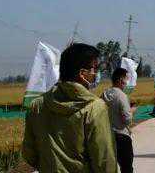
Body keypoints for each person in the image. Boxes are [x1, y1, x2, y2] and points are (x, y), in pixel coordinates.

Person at [22, 42, 117, 173]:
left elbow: (29, 154)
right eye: (95, 69)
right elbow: (105, 161)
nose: (96, 73)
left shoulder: (37, 105)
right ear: (82, 74)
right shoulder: (94, 108)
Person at [103, 68, 135, 173]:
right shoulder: (121, 96)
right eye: (126, 79)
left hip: (106, 136)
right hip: (121, 136)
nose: (127, 82)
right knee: (126, 168)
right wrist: (132, 111)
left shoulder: (104, 94)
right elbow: (127, 119)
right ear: (121, 80)